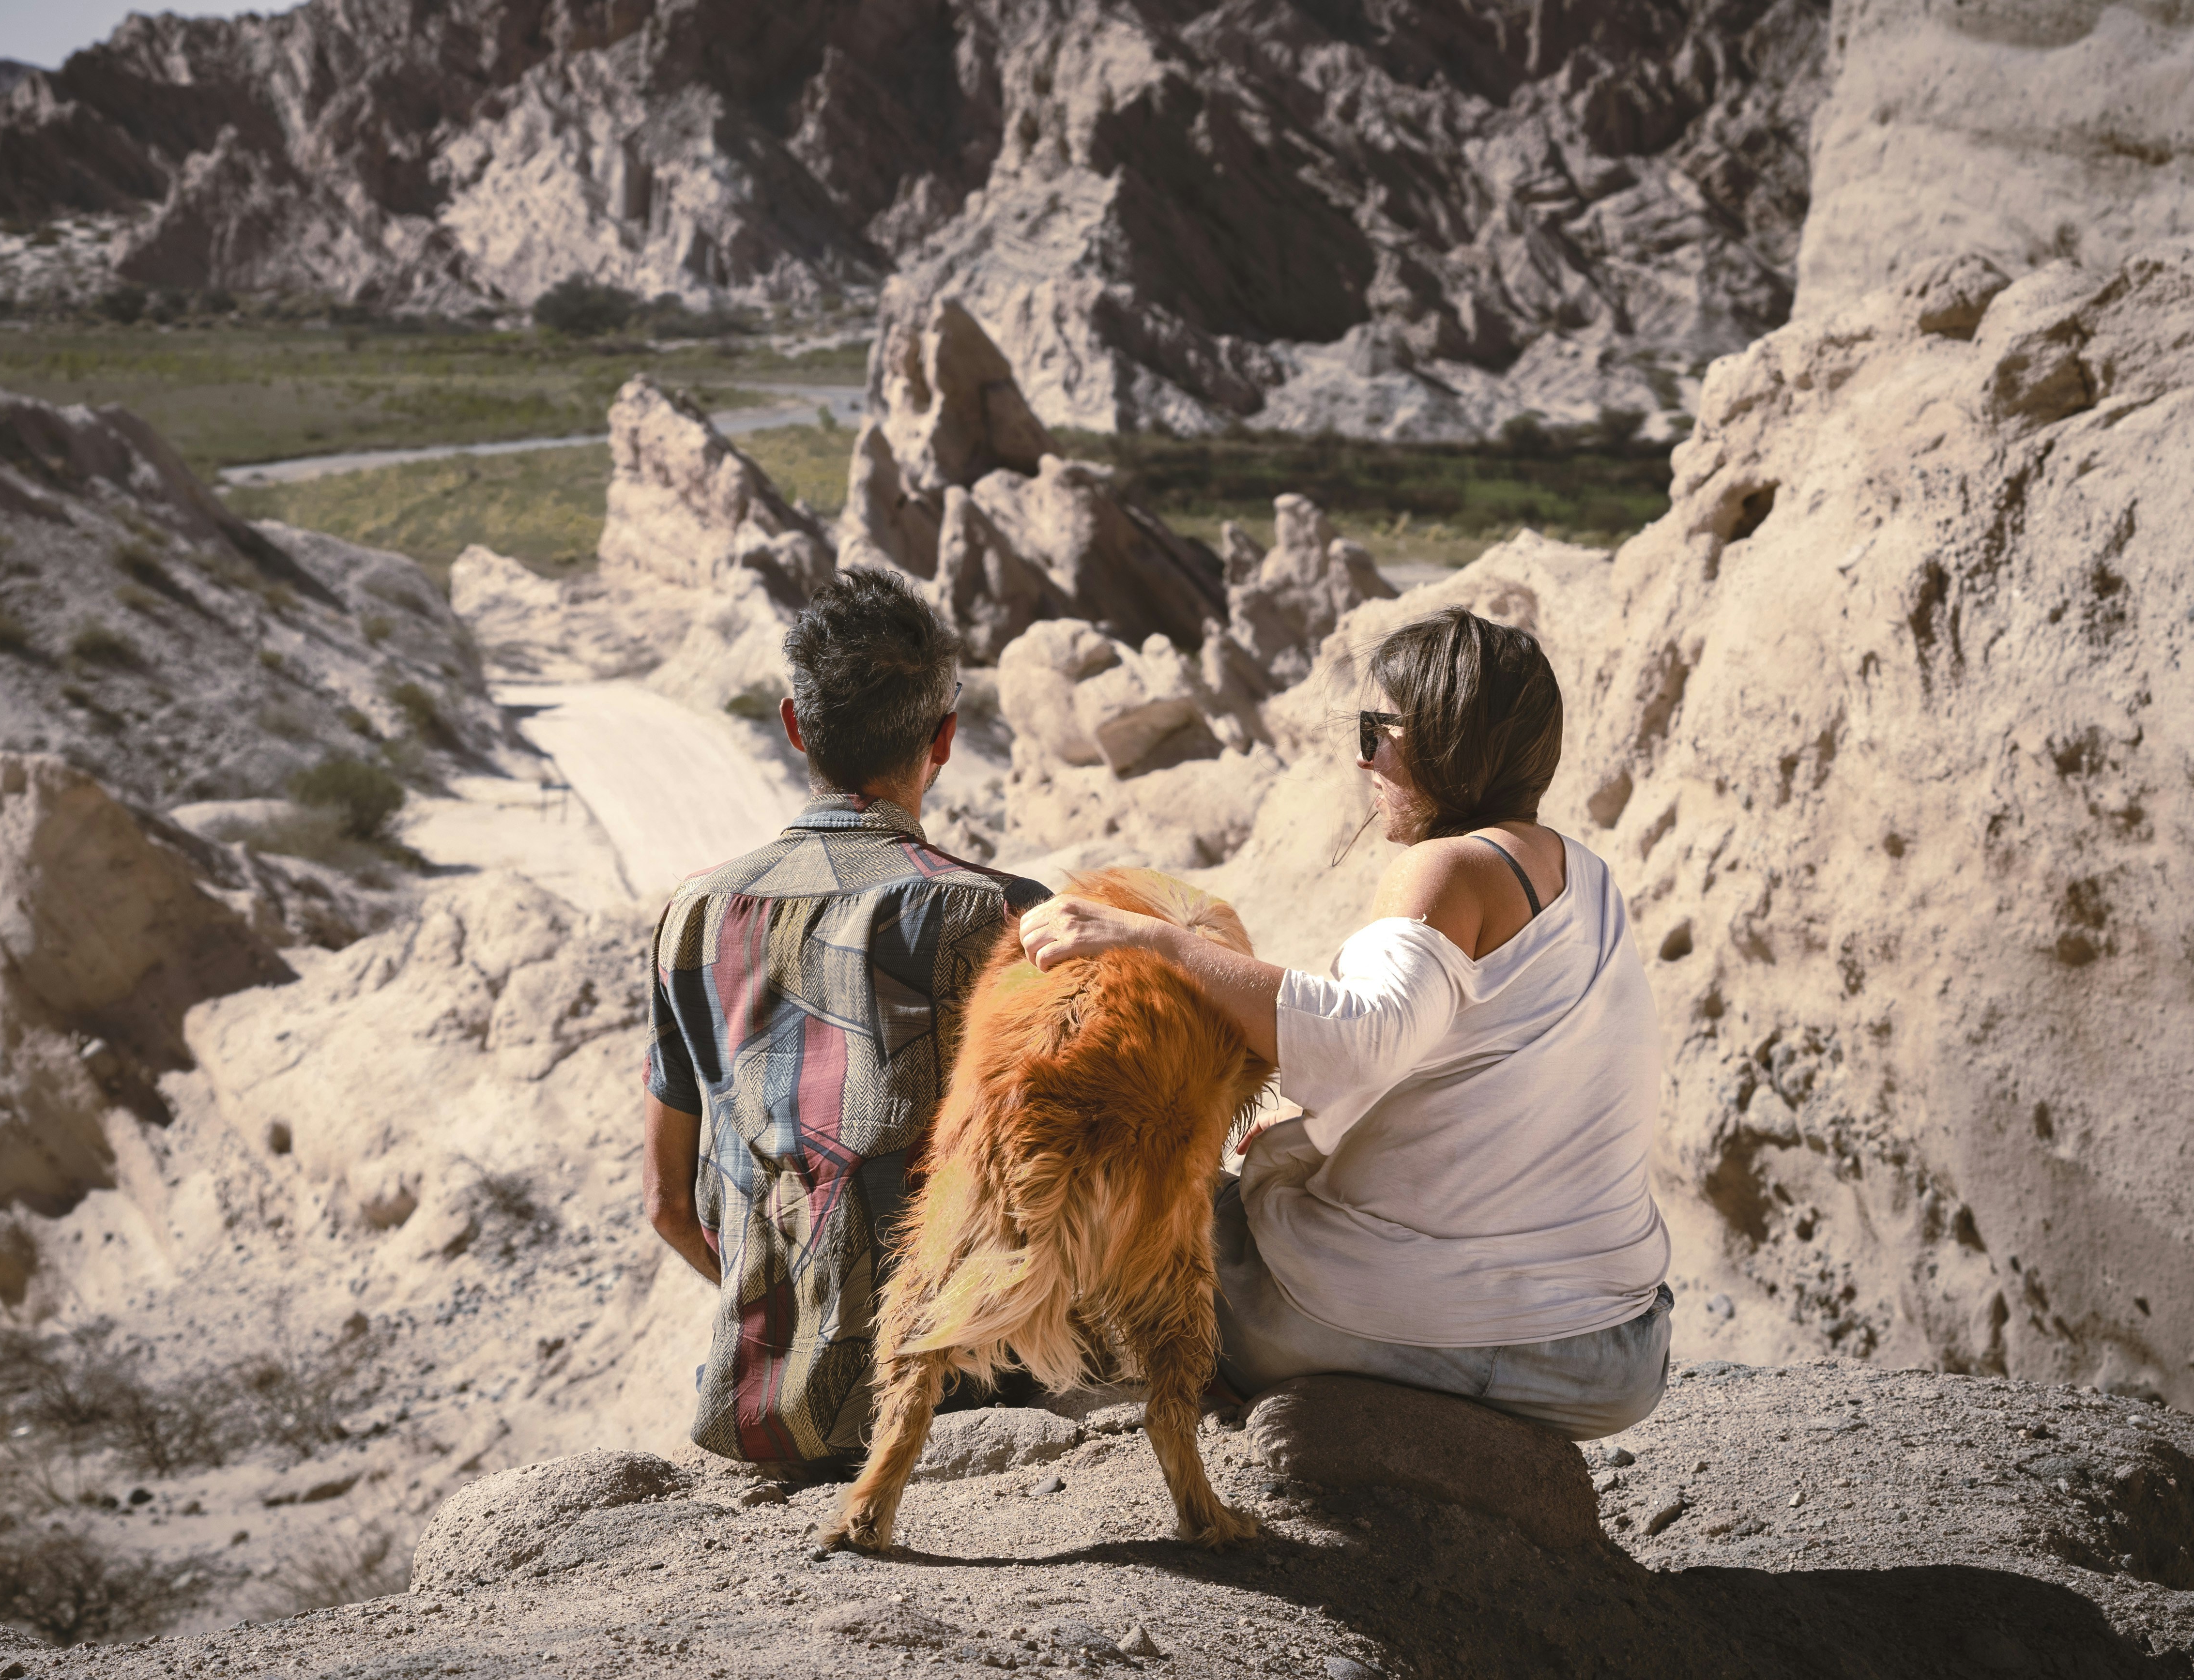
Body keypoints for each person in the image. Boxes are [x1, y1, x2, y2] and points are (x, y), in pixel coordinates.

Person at [1017, 606, 1672, 1438]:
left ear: (1446, 739)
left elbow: (1364, 1038)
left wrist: (1155, 941)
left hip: (1428, 1327)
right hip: (1614, 1352)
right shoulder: (1588, 876)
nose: (1365, 757)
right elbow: (1468, 1079)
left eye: (1380, 730)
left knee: (1136, 1205)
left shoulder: (1450, 867)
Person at [643, 570, 1048, 1467]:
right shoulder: (1008, 916)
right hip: (955, 1407)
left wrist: (802, 1314)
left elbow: (669, 1206)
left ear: (795, 727)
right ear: (943, 739)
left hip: (760, 1419)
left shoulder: (694, 916)